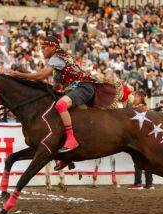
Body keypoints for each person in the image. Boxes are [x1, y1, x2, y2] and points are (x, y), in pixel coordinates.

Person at [9, 36, 97, 170]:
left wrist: (18, 75)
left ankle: (71, 141)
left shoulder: (57, 57)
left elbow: (40, 76)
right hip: (76, 88)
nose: (42, 51)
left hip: (83, 87)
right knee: (57, 110)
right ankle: (67, 156)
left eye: (44, 48)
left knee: (60, 105)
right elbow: (55, 86)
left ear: (53, 47)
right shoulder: (60, 60)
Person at [126, 91, 154, 190]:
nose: (134, 98)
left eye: (136, 96)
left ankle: (138, 183)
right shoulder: (146, 108)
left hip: (140, 138)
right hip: (147, 138)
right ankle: (149, 184)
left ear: (141, 98)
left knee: (138, 160)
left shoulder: (138, 108)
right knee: (147, 161)